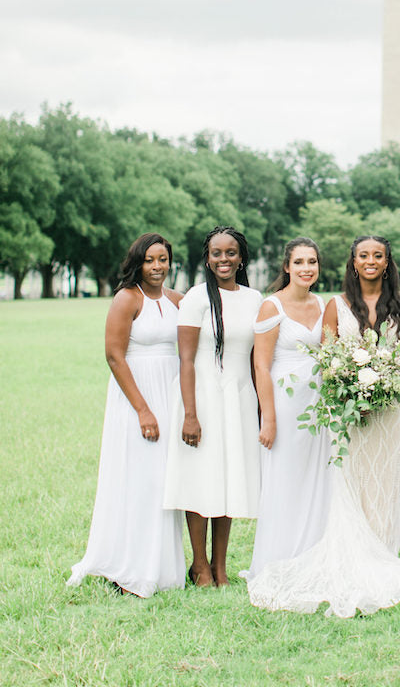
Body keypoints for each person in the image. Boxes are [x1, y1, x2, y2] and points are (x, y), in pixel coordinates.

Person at [247, 235, 400, 616]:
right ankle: (348, 551)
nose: (371, 261)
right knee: (349, 478)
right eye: (364, 255)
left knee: (385, 480)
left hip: (392, 409)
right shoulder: (336, 305)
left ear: (388, 261)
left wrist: (389, 385)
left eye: (378, 255)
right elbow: (329, 360)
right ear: (353, 261)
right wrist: (351, 391)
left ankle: (383, 552)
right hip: (346, 409)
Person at [68, 233, 185, 597]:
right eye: (150, 260)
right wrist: (143, 410)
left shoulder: (177, 300)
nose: (157, 267)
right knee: (140, 479)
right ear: (138, 262)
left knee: (165, 482)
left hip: (171, 395)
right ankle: (128, 566)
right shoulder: (127, 299)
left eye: (163, 259)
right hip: (138, 398)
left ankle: (164, 567)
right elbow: (115, 356)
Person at [163, 226, 262, 587]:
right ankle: (200, 564)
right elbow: (186, 360)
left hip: (238, 397)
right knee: (200, 476)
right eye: (217, 253)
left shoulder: (254, 299)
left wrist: (261, 406)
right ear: (207, 257)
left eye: (231, 252)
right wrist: (190, 414)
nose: (224, 259)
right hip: (202, 396)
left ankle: (221, 566)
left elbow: (256, 357)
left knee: (230, 477)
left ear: (241, 257)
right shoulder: (195, 298)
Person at [243, 238, 331, 580]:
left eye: (312, 262)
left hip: (318, 402)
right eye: (299, 262)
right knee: (285, 477)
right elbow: (261, 365)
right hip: (284, 401)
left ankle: (313, 552)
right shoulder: (271, 307)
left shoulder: (323, 303)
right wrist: (269, 417)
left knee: (317, 476)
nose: (306, 268)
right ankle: (279, 558)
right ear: (287, 267)